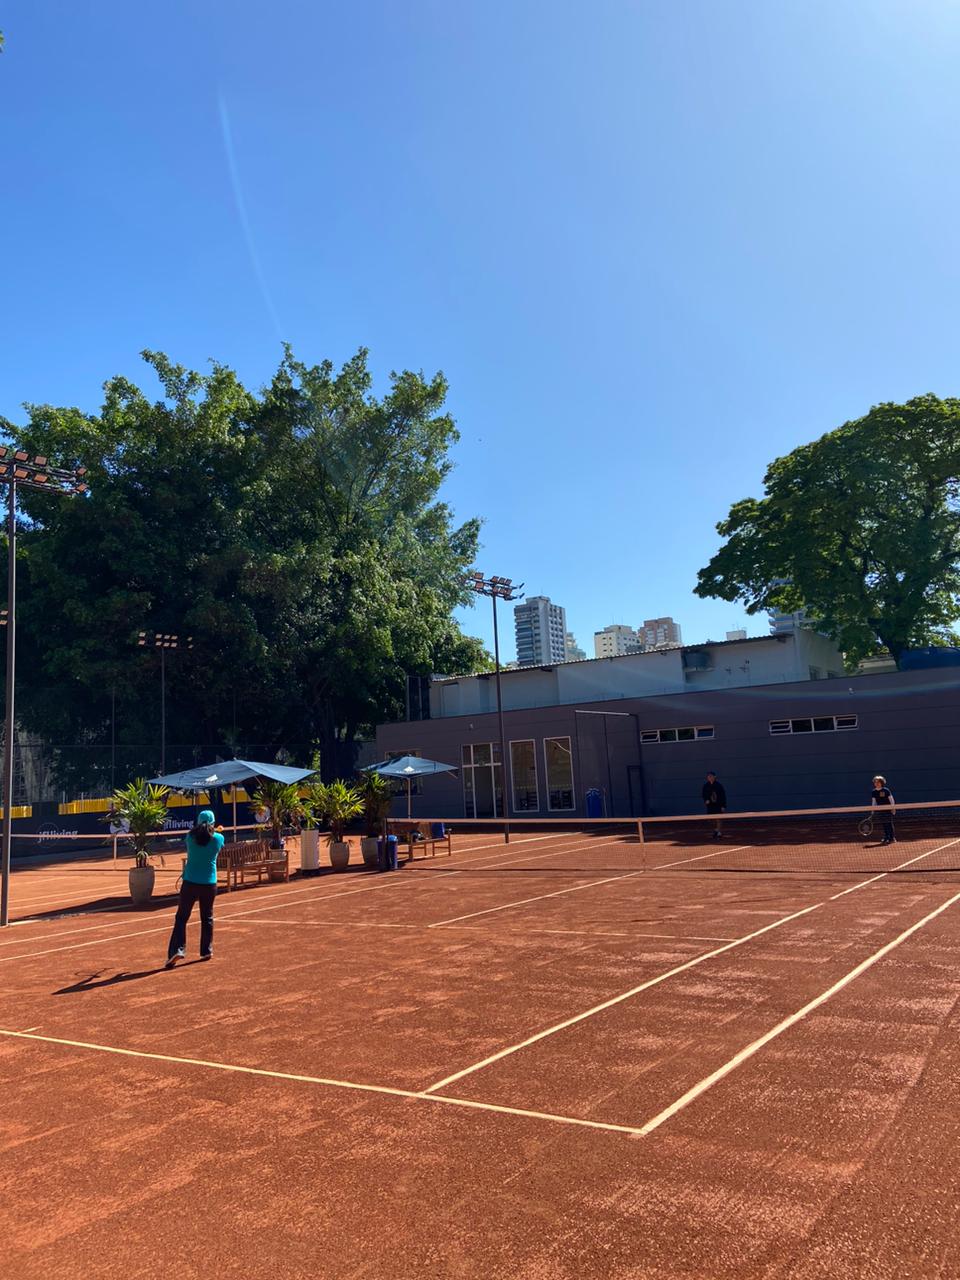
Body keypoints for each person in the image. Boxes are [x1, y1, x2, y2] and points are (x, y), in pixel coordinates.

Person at [166, 809, 224, 968]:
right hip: (209, 884)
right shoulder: (219, 838)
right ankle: (206, 950)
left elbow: (197, 834)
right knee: (207, 917)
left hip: (190, 882)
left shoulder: (190, 838)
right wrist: (217, 830)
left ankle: (177, 950)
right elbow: (216, 836)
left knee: (181, 917)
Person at [871, 775, 897, 845]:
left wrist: (893, 808)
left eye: (878, 782)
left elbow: (891, 800)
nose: (876, 783)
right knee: (884, 824)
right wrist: (872, 810)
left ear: (882, 783)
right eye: (875, 782)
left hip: (888, 810)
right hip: (880, 811)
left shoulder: (886, 790)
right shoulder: (873, 792)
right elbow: (874, 802)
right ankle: (886, 837)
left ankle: (892, 838)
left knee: (889, 824)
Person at [702, 771, 727, 839]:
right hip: (710, 806)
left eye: (711, 776)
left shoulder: (719, 785)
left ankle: (719, 833)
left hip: (718, 805)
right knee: (710, 820)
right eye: (708, 776)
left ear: (714, 777)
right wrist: (706, 800)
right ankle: (716, 830)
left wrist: (723, 806)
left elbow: (723, 796)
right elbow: (703, 795)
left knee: (719, 819)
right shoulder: (706, 786)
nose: (710, 777)